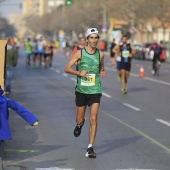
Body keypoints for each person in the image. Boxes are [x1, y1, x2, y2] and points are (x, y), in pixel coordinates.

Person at [64, 28, 105, 158]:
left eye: (96, 37)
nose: (94, 40)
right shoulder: (80, 53)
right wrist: (78, 72)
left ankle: (90, 148)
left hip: (95, 89)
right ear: (87, 39)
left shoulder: (100, 54)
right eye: (91, 38)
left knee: (94, 117)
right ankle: (80, 124)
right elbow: (67, 68)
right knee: (79, 119)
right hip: (81, 90)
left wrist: (102, 71)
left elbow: (100, 66)